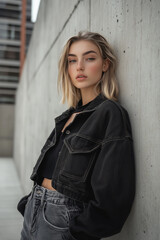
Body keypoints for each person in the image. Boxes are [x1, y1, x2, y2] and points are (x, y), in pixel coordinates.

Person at [17, 31, 135, 240]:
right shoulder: (68, 116)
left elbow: (113, 194)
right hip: (33, 215)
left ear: (105, 64)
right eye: (72, 61)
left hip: (63, 222)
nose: (79, 66)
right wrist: (28, 203)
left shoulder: (110, 113)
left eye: (89, 58)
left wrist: (77, 233)